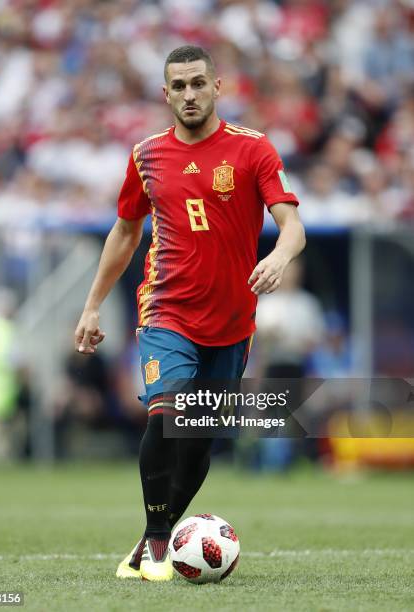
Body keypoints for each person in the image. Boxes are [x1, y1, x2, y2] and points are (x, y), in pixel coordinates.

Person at [74, 45, 305, 581]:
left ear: (217, 87)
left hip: (232, 322)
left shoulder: (253, 150)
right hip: (166, 310)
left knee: (198, 440)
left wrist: (278, 255)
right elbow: (126, 232)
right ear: (166, 93)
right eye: (178, 86)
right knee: (170, 412)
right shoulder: (146, 155)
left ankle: (151, 540)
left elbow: (291, 225)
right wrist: (91, 306)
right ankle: (158, 541)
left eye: (198, 83)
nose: (189, 94)